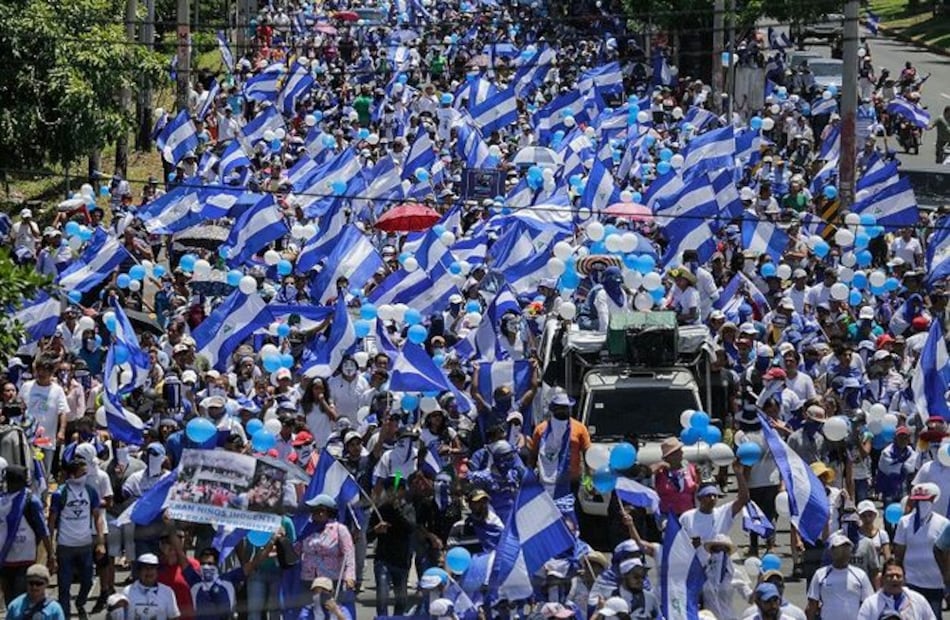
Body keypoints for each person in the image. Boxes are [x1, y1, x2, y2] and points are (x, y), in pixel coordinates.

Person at [49, 457, 106, 620]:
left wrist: (100, 542)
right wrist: (51, 550)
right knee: (64, 585)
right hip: (65, 545)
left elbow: (98, 518)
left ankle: (80, 602)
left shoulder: (90, 492)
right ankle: (64, 615)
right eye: (82, 474)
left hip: (85, 545)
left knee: (88, 581)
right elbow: (52, 521)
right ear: (72, 475)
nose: (85, 477)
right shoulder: (60, 493)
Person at [892, 483, 948, 617]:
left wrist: (947, 581)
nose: (922, 503)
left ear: (933, 500)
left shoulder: (943, 523)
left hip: (935, 583)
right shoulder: (904, 522)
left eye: (925, 500)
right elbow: (899, 553)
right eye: (919, 500)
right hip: (912, 582)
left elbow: (946, 554)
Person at [296, 494, 356, 615]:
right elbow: (296, 550)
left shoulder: (339, 529)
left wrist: (349, 576)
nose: (317, 514)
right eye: (314, 510)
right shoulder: (307, 529)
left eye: (320, 510)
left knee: (331, 612)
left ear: (329, 512)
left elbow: (348, 553)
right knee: (306, 614)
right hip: (309, 580)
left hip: (330, 581)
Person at [805, 533, 874, 620]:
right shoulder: (820, 574)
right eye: (839, 548)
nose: (843, 551)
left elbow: (869, 604)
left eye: (846, 548)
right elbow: (812, 604)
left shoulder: (860, 575)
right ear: (831, 551)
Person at [856, 559, 936, 620]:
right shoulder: (870, 604)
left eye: (898, 576)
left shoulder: (918, 600)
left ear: (904, 579)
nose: (894, 579)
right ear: (882, 579)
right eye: (890, 576)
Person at [124, 553, 181, 620]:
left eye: (152, 568)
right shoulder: (127, 592)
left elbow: (174, 617)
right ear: (139, 571)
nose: (149, 572)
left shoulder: (167, 592)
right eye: (145, 568)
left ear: (157, 572)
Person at [652, 437, 699, 517]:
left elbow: (697, 488)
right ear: (668, 456)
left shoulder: (690, 468)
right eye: (677, 452)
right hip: (668, 515)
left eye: (680, 450)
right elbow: (646, 472)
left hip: (689, 513)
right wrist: (659, 465)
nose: (681, 453)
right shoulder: (661, 472)